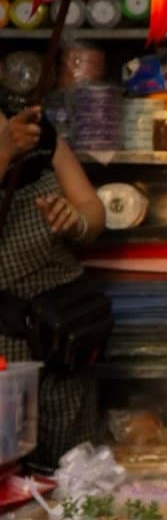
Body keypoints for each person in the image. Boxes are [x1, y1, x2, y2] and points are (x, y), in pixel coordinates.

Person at [0, 101, 106, 467]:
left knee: (74, 470)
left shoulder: (37, 131)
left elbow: (92, 207)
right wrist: (4, 152)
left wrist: (76, 221)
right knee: (10, 473)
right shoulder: (12, 140)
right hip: (5, 346)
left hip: (63, 329)